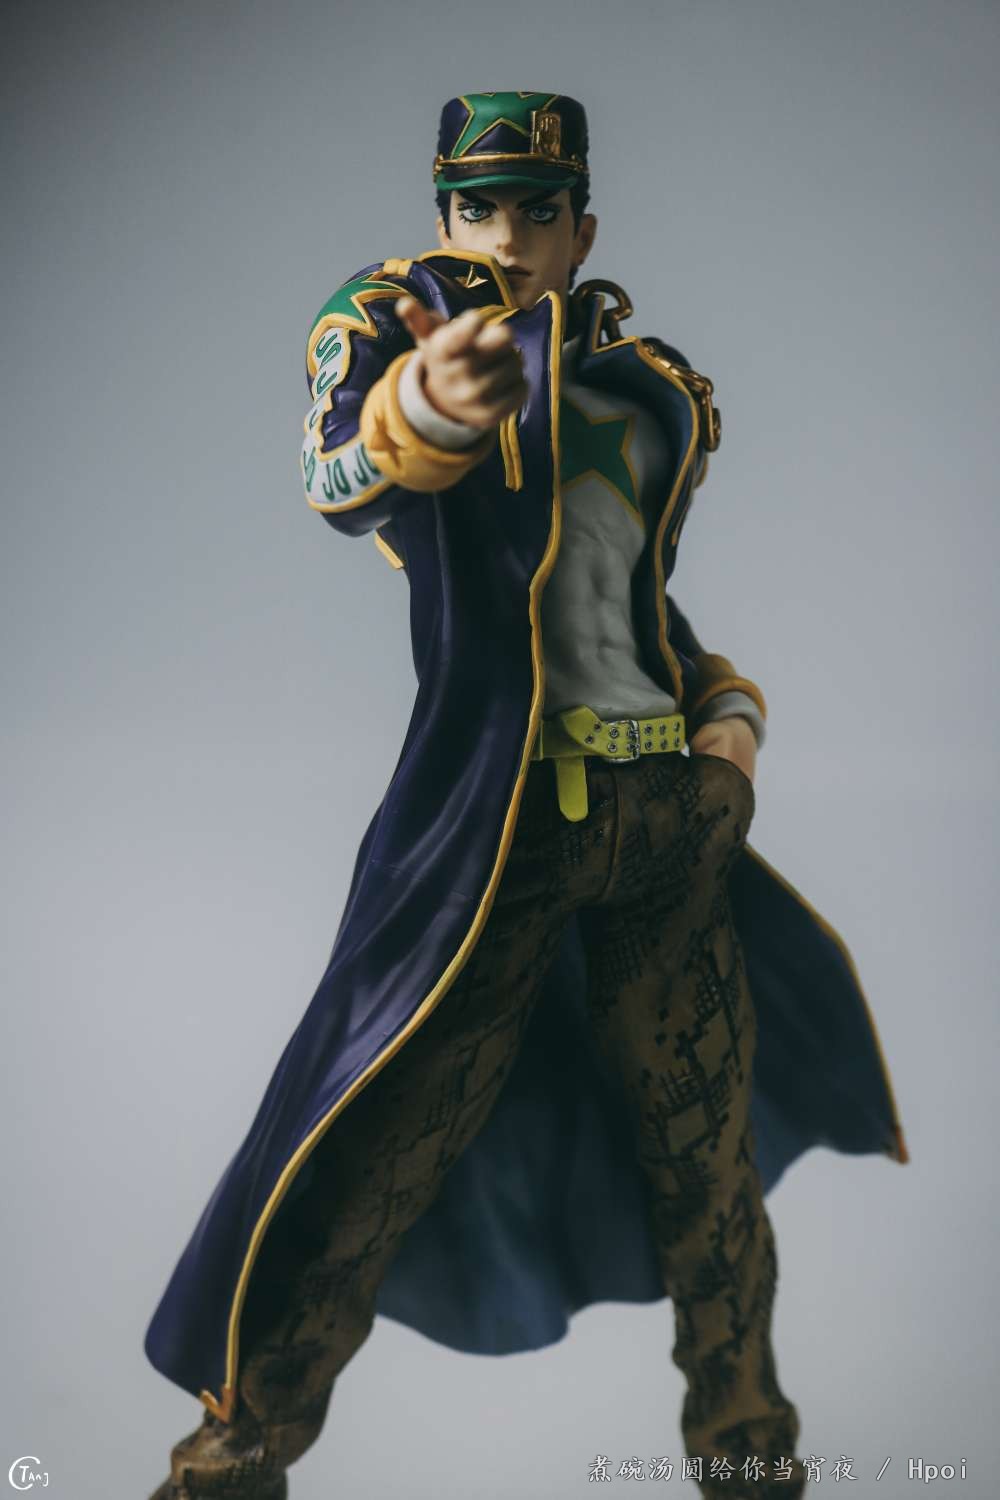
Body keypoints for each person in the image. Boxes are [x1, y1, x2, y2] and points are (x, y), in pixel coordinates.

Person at [147, 93, 907, 1500]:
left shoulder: (645, 387)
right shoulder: (410, 331)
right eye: (479, 208)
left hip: (667, 825)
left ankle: (747, 1454)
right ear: (444, 216)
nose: (508, 236)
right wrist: (428, 404)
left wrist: (730, 737)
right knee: (377, 1153)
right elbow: (343, 472)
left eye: (539, 211)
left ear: (583, 228)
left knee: (708, 1168)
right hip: (506, 838)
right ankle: (231, 1461)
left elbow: (642, 611)